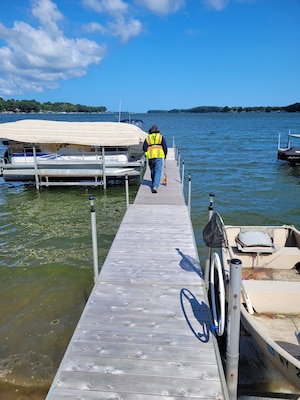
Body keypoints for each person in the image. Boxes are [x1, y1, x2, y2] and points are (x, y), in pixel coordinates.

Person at [143, 124, 168, 193]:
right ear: (157, 130)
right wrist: (165, 154)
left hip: (150, 156)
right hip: (159, 156)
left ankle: (154, 182)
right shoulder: (160, 137)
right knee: (158, 171)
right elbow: (165, 147)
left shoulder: (148, 138)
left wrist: (147, 152)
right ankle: (155, 186)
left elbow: (144, 148)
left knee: (152, 170)